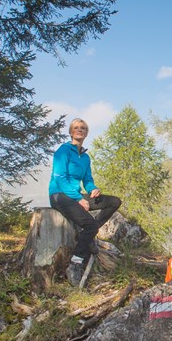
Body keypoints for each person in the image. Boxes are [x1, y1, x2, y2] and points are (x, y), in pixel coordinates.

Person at [48, 118, 121, 287]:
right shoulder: (63, 151)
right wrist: (79, 199)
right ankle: (75, 264)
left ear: (86, 132)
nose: (79, 130)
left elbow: (87, 179)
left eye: (83, 128)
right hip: (59, 195)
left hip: (76, 194)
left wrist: (93, 189)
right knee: (91, 226)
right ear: (71, 132)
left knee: (114, 202)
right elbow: (60, 179)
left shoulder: (85, 157)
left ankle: (86, 237)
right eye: (76, 128)